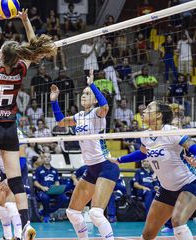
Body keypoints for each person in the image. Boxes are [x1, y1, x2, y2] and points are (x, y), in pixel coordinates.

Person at [0, 7, 57, 240]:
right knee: (16, 179)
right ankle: (26, 222)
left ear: (0, 56)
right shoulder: (20, 70)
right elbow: (34, 45)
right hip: (10, 127)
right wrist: (26, 20)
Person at [109, 101, 196, 240]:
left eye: (149, 108)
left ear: (158, 115)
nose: (143, 110)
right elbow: (142, 153)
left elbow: (192, 146)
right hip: (167, 189)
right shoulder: (145, 135)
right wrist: (118, 160)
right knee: (148, 235)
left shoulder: (172, 132)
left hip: (189, 184)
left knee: (178, 222)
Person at [50, 69, 118, 240]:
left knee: (95, 213)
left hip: (106, 166)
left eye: (87, 94)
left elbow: (105, 106)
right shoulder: (79, 116)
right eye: (82, 94)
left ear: (94, 99)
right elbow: (60, 122)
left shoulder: (97, 113)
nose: (83, 96)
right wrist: (54, 101)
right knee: (72, 212)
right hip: (91, 169)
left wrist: (92, 85)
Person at [33, 152, 67, 222]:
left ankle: (44, 212)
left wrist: (56, 186)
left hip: (52, 191)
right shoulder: (38, 169)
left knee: (63, 197)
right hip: (42, 191)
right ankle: (46, 215)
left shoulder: (54, 170)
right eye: (45, 157)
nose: (47, 158)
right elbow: (35, 182)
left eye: (48, 157)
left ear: (50, 158)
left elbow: (57, 181)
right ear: (43, 159)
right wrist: (42, 187)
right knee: (45, 197)